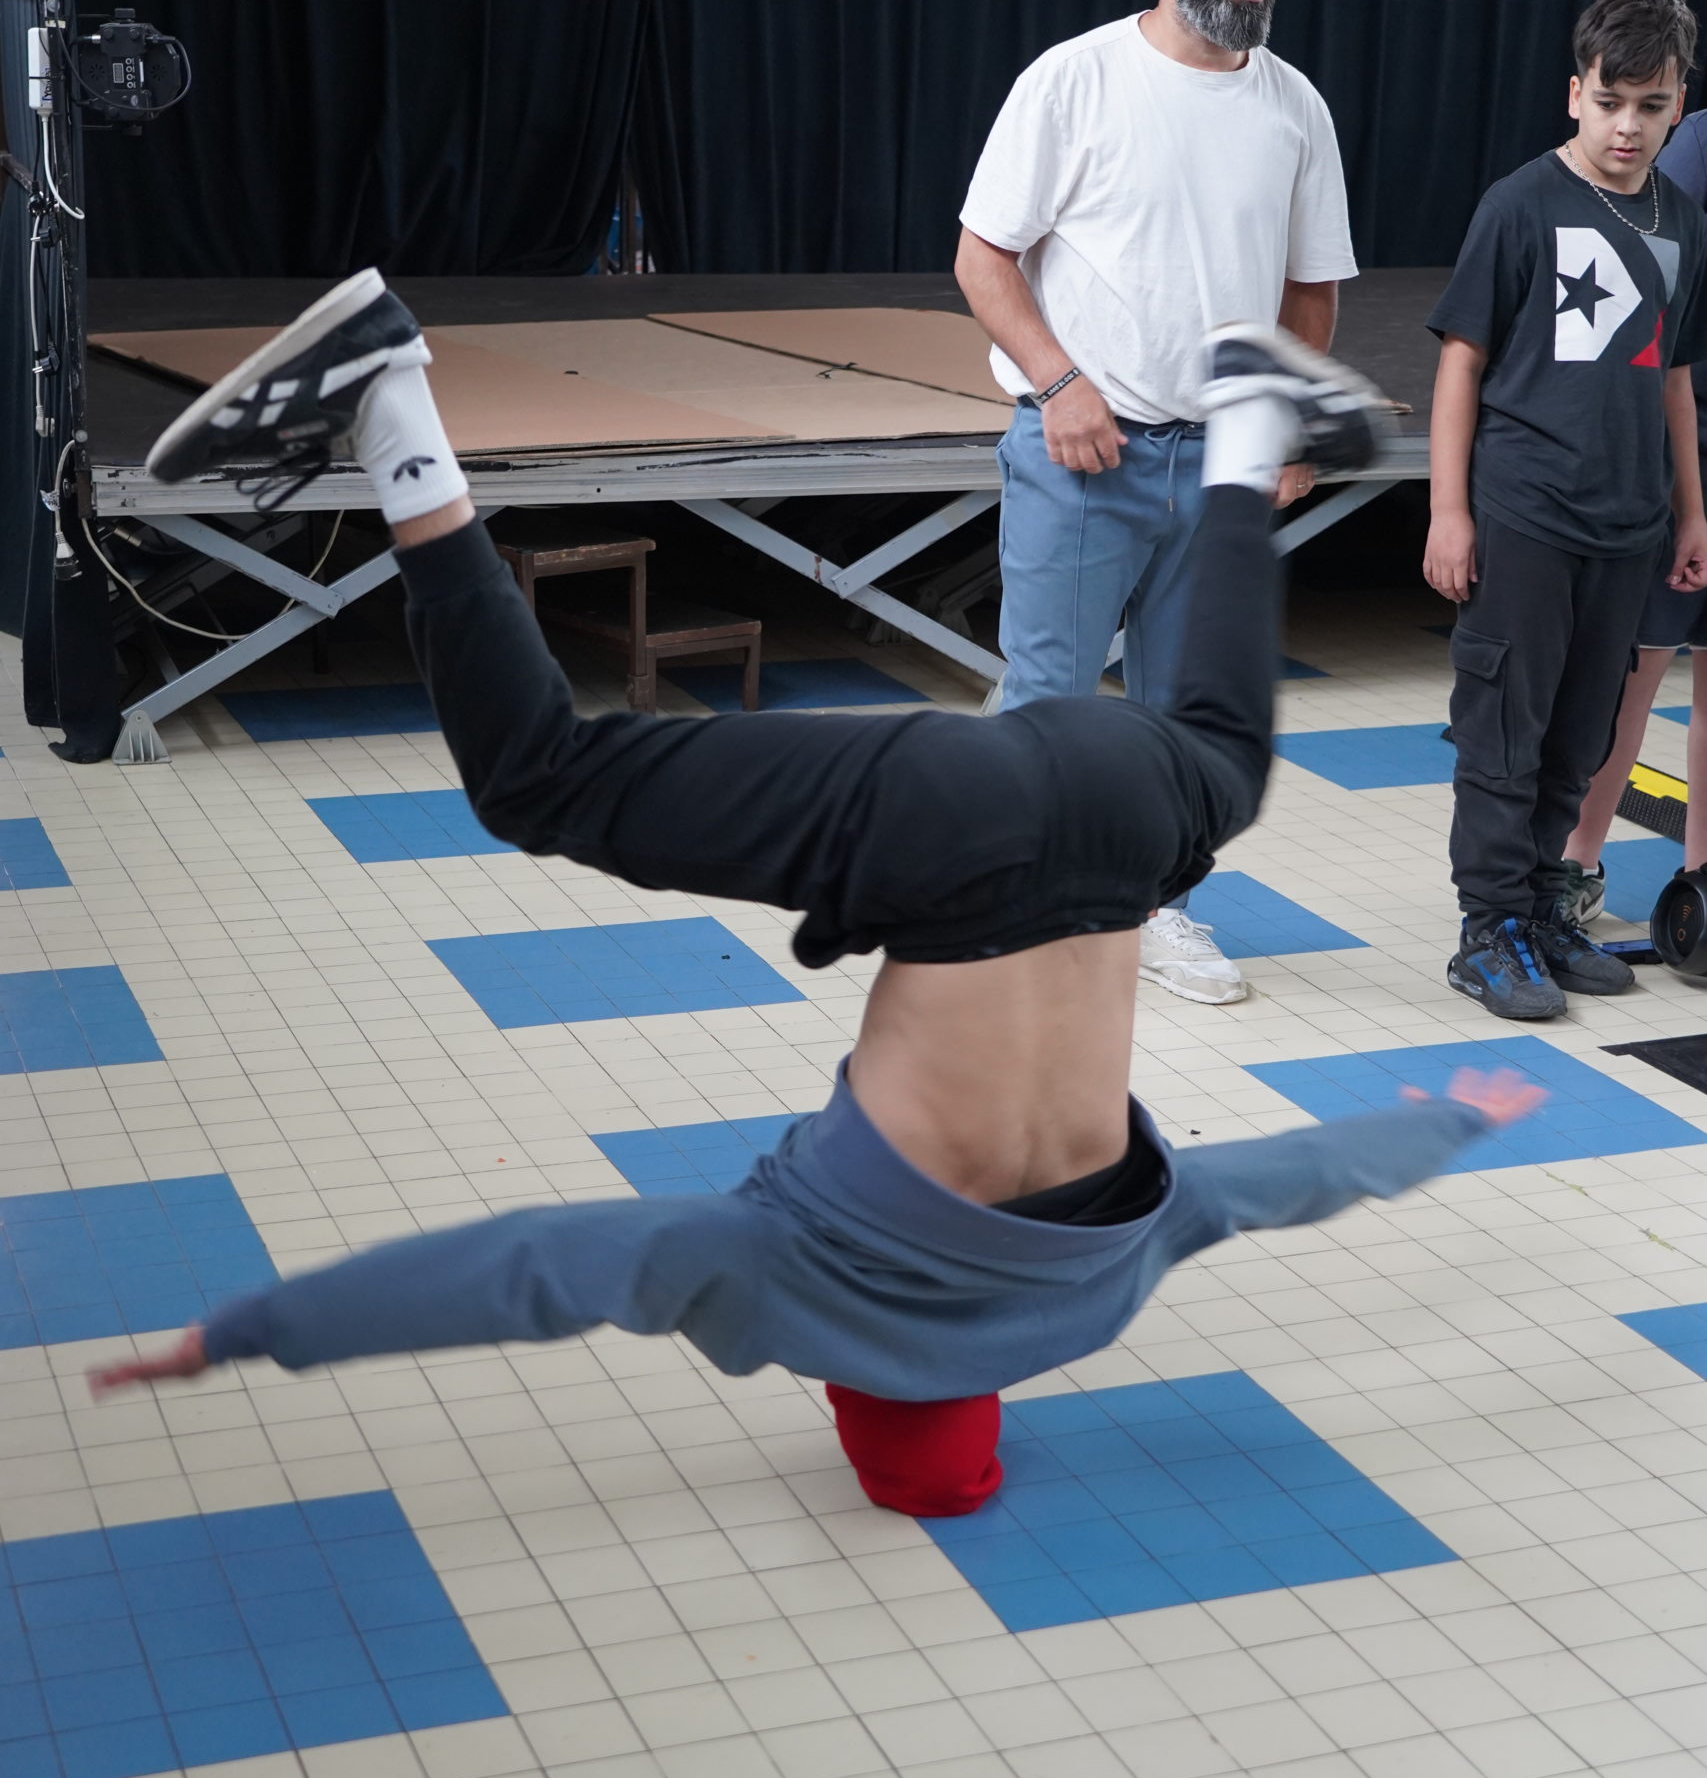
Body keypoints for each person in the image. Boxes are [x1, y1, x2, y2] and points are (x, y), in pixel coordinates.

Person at [90, 276, 1541, 1518]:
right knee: (539, 781)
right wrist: (256, 1330)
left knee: (1224, 751)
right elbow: (543, 1270)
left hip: (1122, 813)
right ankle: (389, 406)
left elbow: (1282, 1185)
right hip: (946, 837)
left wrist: (1447, 1122)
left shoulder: (1108, 1279)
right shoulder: (800, 1289)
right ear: (861, 1395)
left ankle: (1247, 427)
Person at [954, 0, 1357, 1007]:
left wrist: (1282, 429)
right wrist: (1059, 384)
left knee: (1184, 715)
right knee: (1050, 699)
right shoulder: (1074, 80)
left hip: (1220, 465)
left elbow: (1312, 291)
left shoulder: (1294, 107)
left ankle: (1151, 908)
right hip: (1086, 448)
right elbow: (983, 259)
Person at [1423, 0, 1707, 1020]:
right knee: (1506, 730)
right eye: (1611, 100)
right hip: (1525, 513)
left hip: (1627, 526)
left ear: (1679, 107)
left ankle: (1546, 908)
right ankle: (1488, 929)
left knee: (1580, 737)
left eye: (1652, 105)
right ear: (1574, 94)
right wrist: (1448, 511)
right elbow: (1460, 363)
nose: (1628, 125)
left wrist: (1690, 511)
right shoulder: (1520, 204)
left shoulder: (1682, 219)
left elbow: (1673, 376)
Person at [1561, 100, 1707, 923]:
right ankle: (1573, 863)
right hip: (1680, 451)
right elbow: (1643, 300)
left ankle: (1700, 879)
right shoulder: (1698, 146)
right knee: (1635, 673)